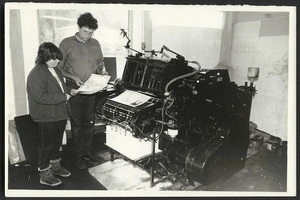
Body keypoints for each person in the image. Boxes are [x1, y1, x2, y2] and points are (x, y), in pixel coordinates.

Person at [58, 12, 108, 169]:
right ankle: (79, 157)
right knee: (78, 126)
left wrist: (104, 72)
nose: (88, 35)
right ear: (78, 28)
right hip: (75, 91)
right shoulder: (66, 43)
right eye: (85, 32)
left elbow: (100, 63)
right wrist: (73, 77)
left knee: (89, 125)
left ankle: (88, 154)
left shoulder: (95, 43)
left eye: (91, 32)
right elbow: (59, 69)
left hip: (91, 91)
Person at [27, 42, 77, 186]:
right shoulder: (36, 73)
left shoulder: (56, 70)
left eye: (58, 58)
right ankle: (44, 174)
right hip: (46, 116)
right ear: (44, 57)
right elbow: (39, 97)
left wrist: (69, 90)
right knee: (46, 145)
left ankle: (55, 166)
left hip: (59, 113)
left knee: (56, 143)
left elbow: (59, 87)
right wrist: (64, 97)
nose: (57, 61)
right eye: (53, 58)